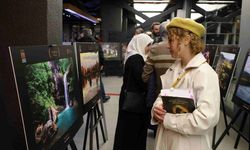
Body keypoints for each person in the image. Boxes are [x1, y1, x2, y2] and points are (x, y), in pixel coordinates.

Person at [152, 17, 220, 150]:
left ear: (186, 40)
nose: (167, 45)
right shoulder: (175, 67)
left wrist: (167, 119)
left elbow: (205, 119)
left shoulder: (205, 73)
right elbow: (163, 95)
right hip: (166, 140)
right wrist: (157, 108)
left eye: (171, 40)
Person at [113, 33, 153, 150]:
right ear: (141, 44)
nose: (150, 47)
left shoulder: (133, 56)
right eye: (148, 44)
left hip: (129, 99)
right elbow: (141, 80)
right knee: (131, 132)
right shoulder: (136, 58)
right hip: (134, 102)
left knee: (126, 130)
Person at [142, 20, 176, 137]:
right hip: (181, 95)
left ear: (160, 33)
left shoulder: (155, 49)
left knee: (160, 129)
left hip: (159, 94)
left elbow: (145, 75)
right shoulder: (182, 50)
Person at [77, 28, 110, 102]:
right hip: (94, 64)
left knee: (82, 81)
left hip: (82, 65)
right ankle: (103, 97)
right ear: (90, 33)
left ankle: (84, 100)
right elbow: (100, 54)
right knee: (98, 80)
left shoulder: (79, 42)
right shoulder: (95, 42)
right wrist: (102, 64)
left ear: (83, 33)